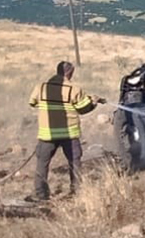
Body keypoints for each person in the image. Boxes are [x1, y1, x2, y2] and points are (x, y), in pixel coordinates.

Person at [29, 61, 104, 200]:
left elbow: (32, 102)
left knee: (42, 164)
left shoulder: (41, 87)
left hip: (47, 133)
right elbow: (83, 109)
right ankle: (76, 192)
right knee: (74, 162)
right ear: (70, 73)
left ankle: (40, 194)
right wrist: (93, 102)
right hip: (69, 133)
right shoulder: (74, 89)